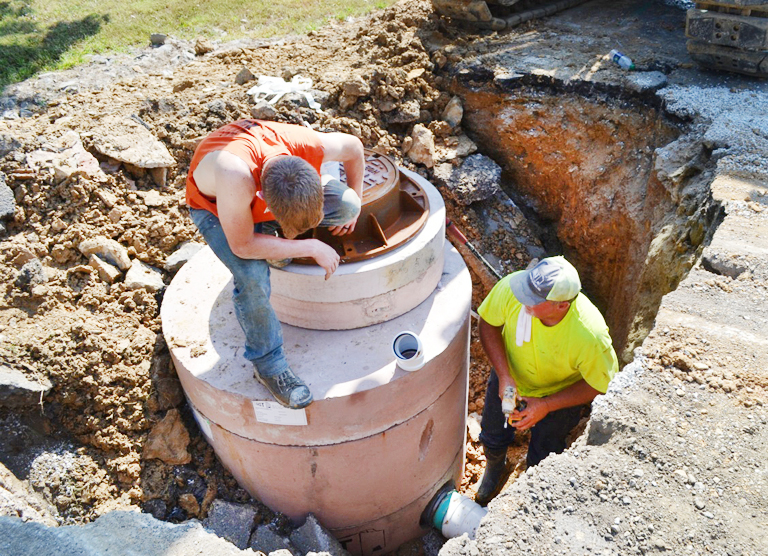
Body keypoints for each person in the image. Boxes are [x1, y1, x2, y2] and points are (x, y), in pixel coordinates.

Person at [186, 119, 364, 409]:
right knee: (252, 273)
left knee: (347, 206)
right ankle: (268, 364)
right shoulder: (236, 176)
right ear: (264, 202)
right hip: (215, 205)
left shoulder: (309, 144)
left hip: (259, 185)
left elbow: (354, 147)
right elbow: (242, 244)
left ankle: (274, 243)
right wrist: (308, 245)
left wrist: (357, 196)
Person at [474, 256, 618, 505]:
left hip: (559, 395)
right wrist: (505, 375)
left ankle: (532, 494)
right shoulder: (513, 288)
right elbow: (488, 323)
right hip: (510, 377)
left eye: (533, 299)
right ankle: (496, 468)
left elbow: (600, 384)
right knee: (492, 432)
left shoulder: (590, 335)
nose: (522, 299)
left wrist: (547, 405)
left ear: (561, 306)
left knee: (545, 451)